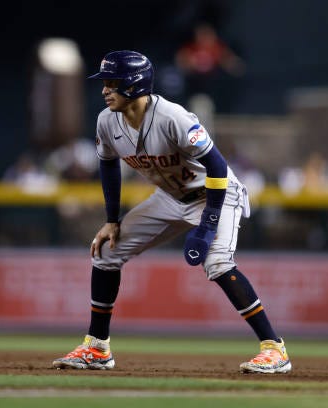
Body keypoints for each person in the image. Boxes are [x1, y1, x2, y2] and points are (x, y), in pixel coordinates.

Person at [52, 50, 291, 374]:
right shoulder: (107, 121)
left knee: (217, 263)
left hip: (215, 192)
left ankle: (274, 348)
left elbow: (217, 166)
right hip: (170, 197)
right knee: (107, 252)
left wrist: (208, 223)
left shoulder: (173, 117)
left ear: (134, 86)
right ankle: (97, 347)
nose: (105, 90)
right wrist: (111, 221)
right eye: (105, 83)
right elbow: (107, 165)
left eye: (113, 82)